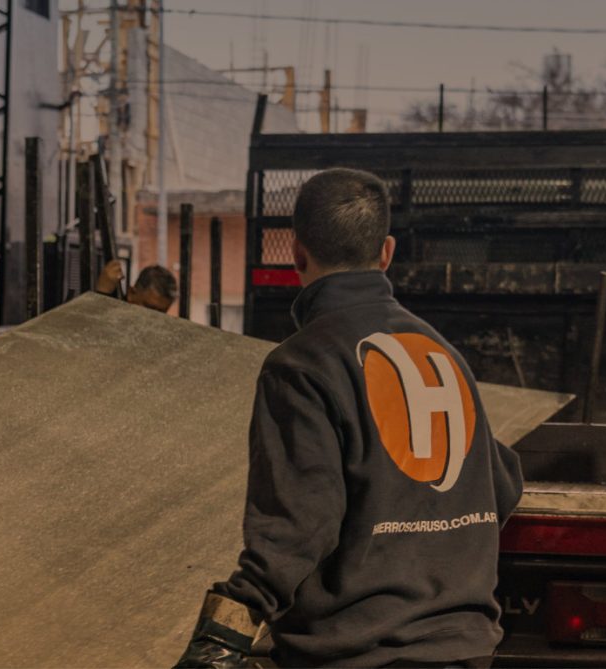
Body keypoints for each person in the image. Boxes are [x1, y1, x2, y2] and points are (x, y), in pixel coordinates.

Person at [175, 168, 523, 668]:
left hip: (359, 654)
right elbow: (501, 484)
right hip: (463, 648)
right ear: (386, 253)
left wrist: (224, 633)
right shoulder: (442, 353)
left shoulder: (301, 364)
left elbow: (298, 524)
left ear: (297, 253)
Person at [95, 259, 177, 312]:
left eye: (162, 312)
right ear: (131, 293)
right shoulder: (110, 312)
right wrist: (102, 293)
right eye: (149, 308)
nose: (156, 318)